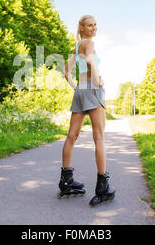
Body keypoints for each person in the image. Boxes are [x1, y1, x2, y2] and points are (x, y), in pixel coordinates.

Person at [57, 14, 116, 206]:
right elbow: (90, 62)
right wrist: (98, 81)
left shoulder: (77, 46)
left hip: (81, 90)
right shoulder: (89, 44)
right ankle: (103, 187)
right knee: (99, 136)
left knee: (71, 136)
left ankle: (66, 181)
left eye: (95, 25)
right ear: (81, 28)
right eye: (89, 25)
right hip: (92, 89)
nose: (93, 28)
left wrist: (76, 88)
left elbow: (66, 72)